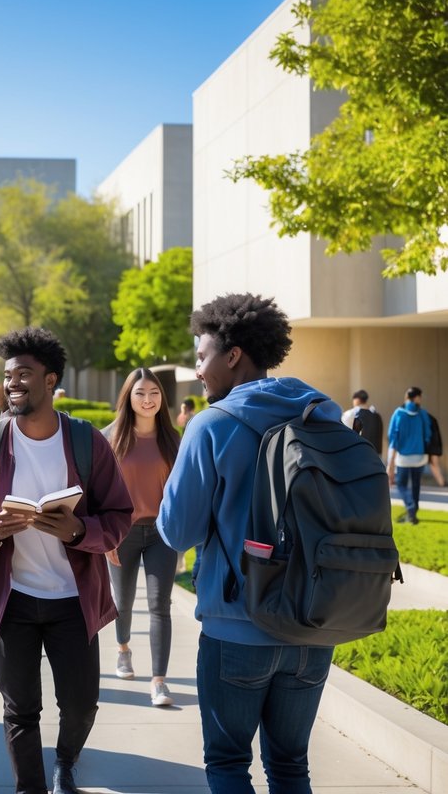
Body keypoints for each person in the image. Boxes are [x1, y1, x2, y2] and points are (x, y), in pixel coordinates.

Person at [158, 293, 341, 793]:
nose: (198, 369)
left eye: (201, 356)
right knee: (290, 766)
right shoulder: (322, 412)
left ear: (232, 354)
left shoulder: (211, 425)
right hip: (313, 625)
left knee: (227, 763)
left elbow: (178, 531)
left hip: (237, 625)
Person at [0, 327, 133, 794]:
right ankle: (29, 787)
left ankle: (66, 761)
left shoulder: (89, 444)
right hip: (14, 603)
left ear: (51, 381)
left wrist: (79, 531)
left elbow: (119, 514)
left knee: (81, 706)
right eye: (8, 376)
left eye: (23, 374)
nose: (12, 383)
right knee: (20, 709)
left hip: (73, 601)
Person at [101, 368, 182, 707]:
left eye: (154, 393)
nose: (147, 399)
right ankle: (123, 649)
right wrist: (106, 539)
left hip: (162, 533)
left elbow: (181, 492)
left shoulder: (173, 439)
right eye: (140, 393)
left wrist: (180, 541)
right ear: (128, 397)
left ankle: (158, 681)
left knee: (159, 606)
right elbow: (99, 492)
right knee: (123, 601)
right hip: (123, 533)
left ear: (162, 398)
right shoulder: (110, 437)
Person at [387, 386, 433, 525]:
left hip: (403, 458)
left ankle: (410, 507)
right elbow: (428, 435)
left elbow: (393, 437)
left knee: (401, 485)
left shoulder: (398, 413)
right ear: (417, 397)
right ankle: (413, 513)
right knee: (416, 485)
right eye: (420, 396)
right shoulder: (423, 413)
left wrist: (391, 461)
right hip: (419, 458)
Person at [341, 389, 383, 455]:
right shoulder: (377, 415)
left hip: (357, 454)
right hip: (375, 454)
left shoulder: (351, 414)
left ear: (356, 400)